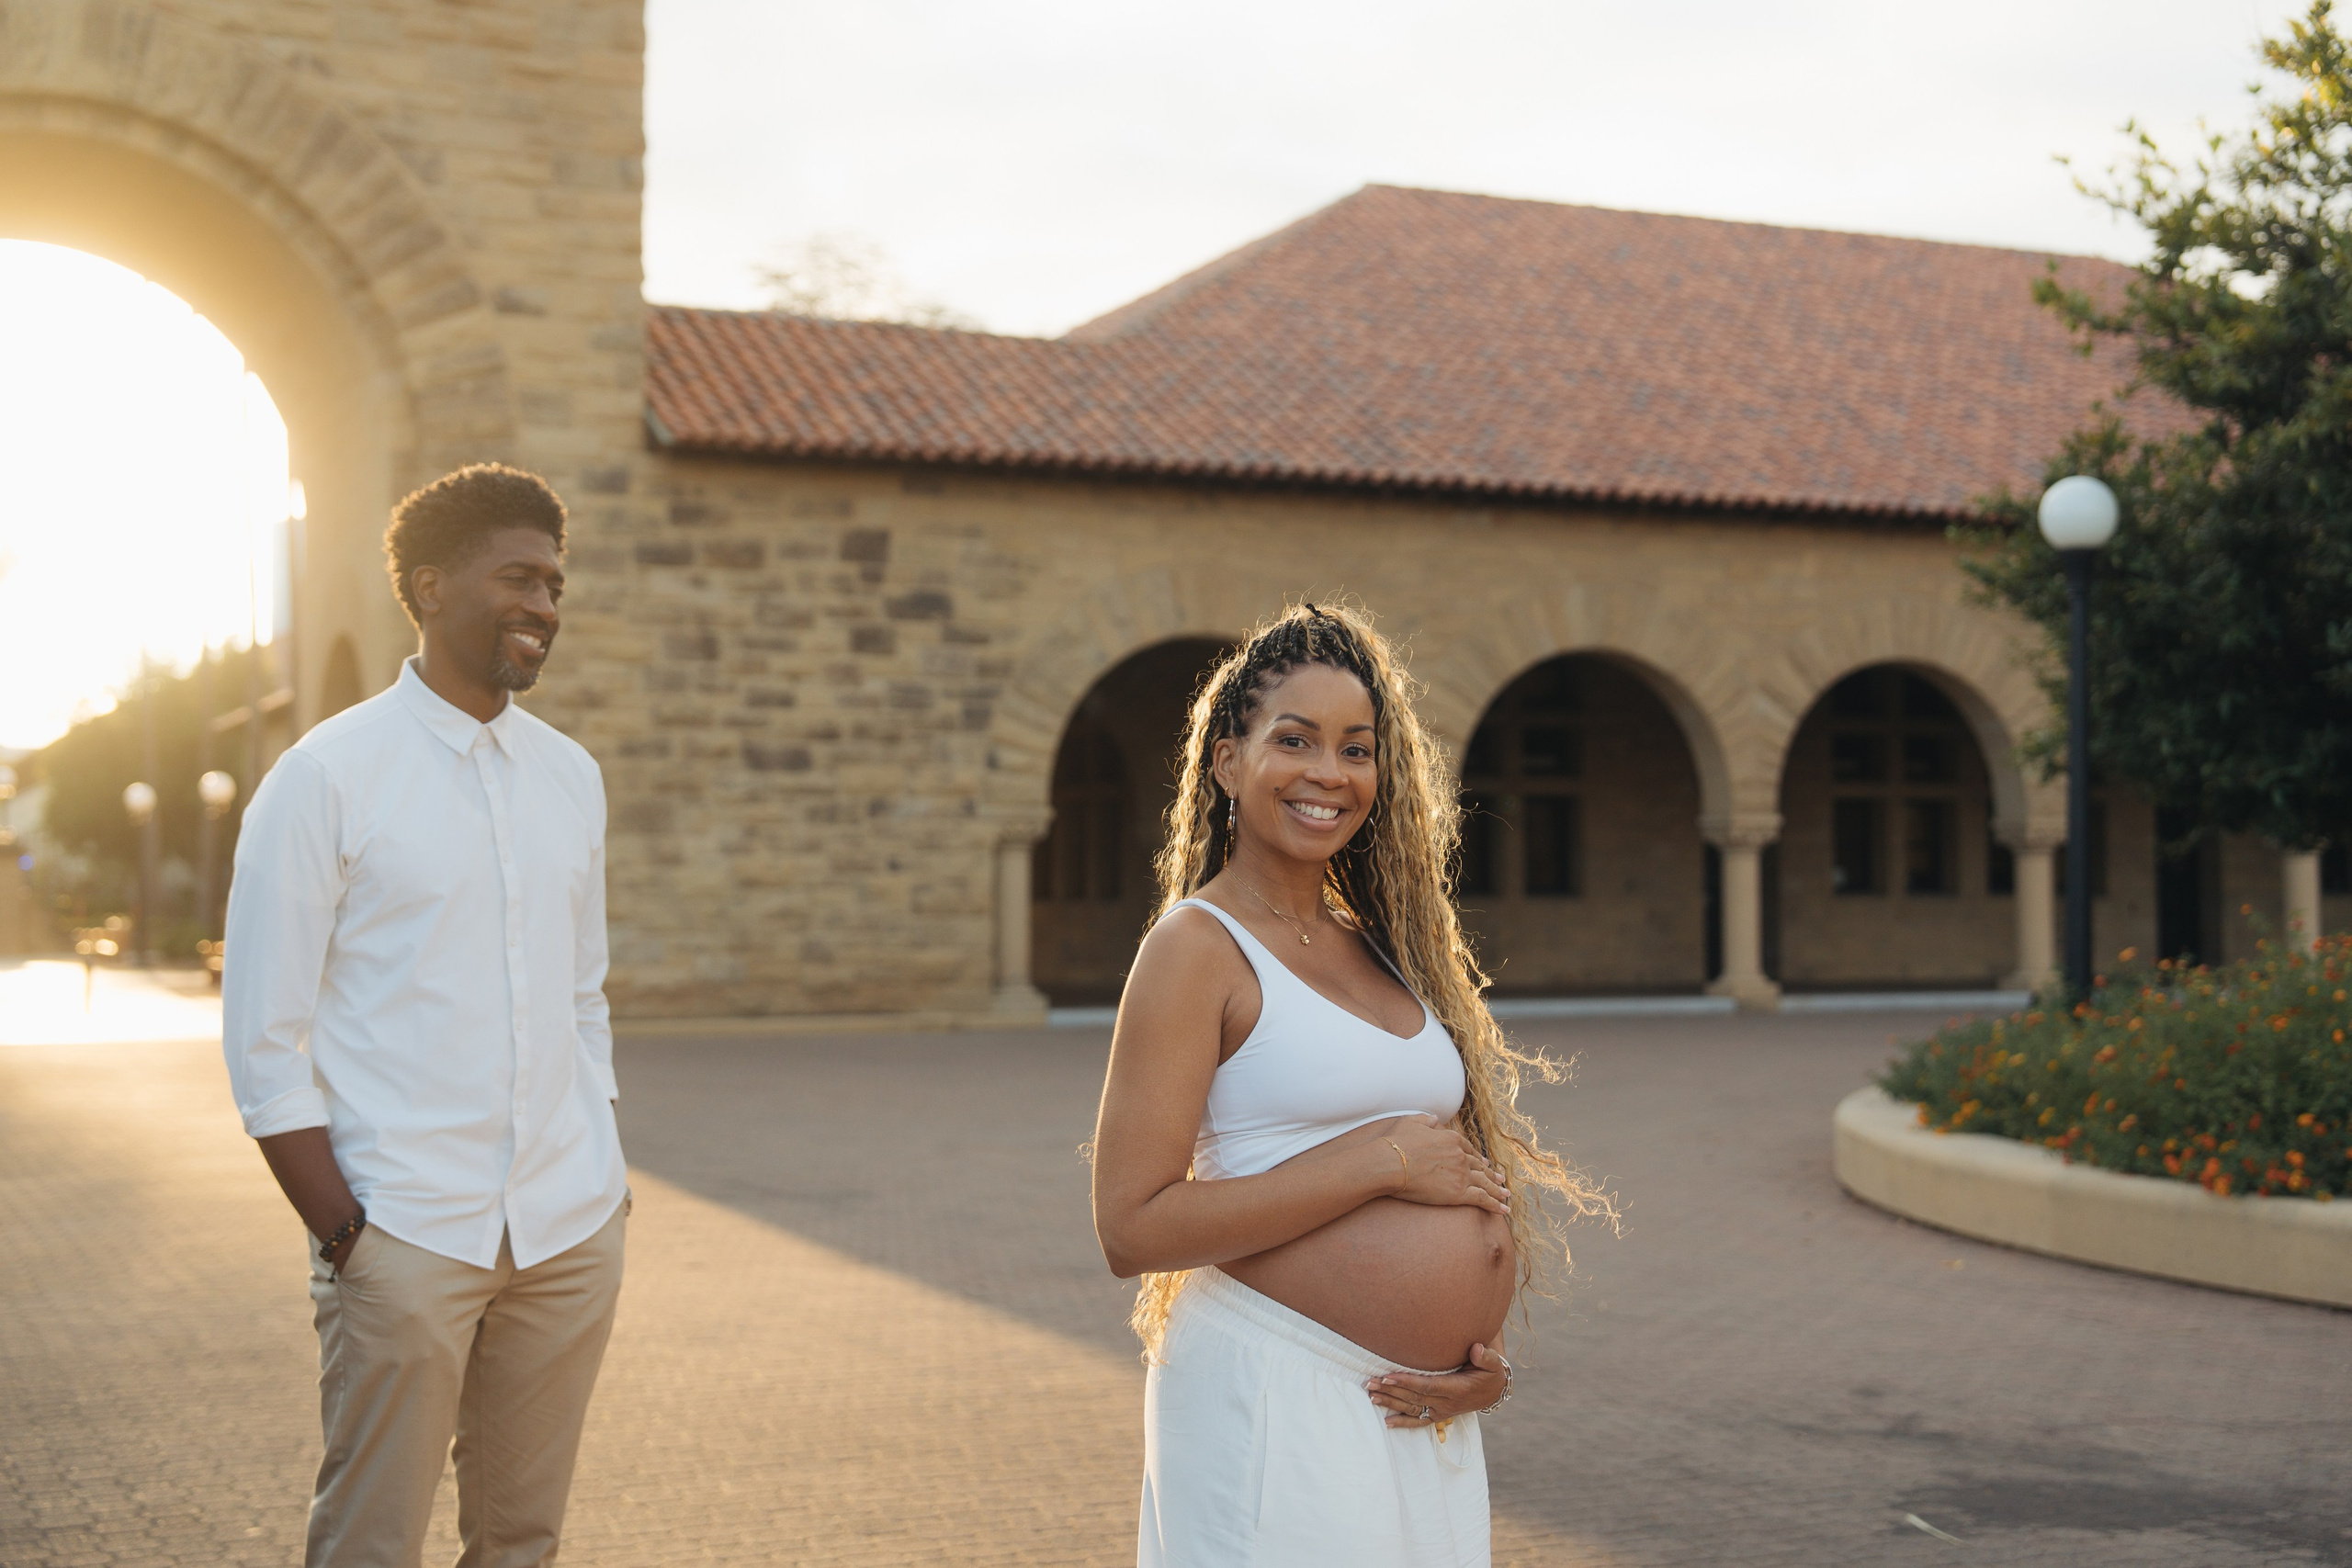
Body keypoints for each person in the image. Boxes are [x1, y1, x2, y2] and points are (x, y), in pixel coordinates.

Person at [1091, 603, 1605, 1568]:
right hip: (1275, 1388)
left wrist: (1468, 1358)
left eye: (1356, 748)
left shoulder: (1378, 943)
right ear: (1226, 763)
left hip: (1416, 1413)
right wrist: (1374, 1164)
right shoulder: (1194, 950)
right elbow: (1132, 1227)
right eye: (1295, 740)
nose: (1329, 773)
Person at [222, 463, 628, 1568]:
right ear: (432, 584)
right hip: (402, 1235)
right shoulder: (325, 777)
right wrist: (349, 1237)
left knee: (522, 1540)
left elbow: (582, 993)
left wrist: (602, 1161)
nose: (545, 603)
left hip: (566, 1229)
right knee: (369, 1544)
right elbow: (263, 1036)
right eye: (519, 577)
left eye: (554, 581)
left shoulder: (571, 778)